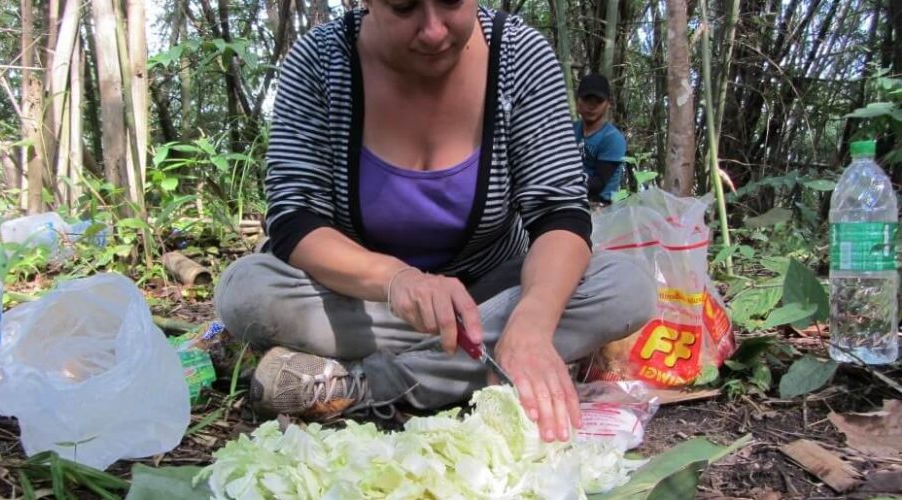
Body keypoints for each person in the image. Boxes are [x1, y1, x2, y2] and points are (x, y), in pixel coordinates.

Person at [214, 0, 655, 444]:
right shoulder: (319, 62)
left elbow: (561, 214)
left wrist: (534, 321)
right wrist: (397, 280)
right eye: (403, 8)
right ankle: (477, 368)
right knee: (247, 291)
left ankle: (358, 385)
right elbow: (295, 218)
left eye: (450, 3)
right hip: (367, 298)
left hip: (490, 296)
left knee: (624, 288)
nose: (432, 30)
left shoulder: (520, 56)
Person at [573, 74, 628, 205]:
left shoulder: (613, 139)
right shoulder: (570, 130)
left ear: (608, 103)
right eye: (587, 99)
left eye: (598, 101)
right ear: (578, 101)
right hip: (572, 199)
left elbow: (598, 183)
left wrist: (561, 187)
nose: (592, 106)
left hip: (600, 206)